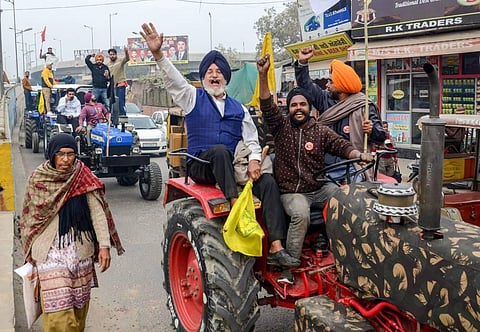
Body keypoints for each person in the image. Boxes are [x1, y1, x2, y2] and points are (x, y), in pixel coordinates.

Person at [141, 22, 299, 268]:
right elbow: (174, 80)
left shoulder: (240, 107)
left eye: (219, 71)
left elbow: (250, 139)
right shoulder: (192, 97)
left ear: (225, 76)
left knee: (268, 183)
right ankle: (236, 207)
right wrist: (158, 54)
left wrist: (255, 160)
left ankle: (277, 246)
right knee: (219, 151)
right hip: (201, 166)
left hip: (231, 167)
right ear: (203, 76)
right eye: (210, 71)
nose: (214, 75)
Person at [257, 54, 373, 283]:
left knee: (347, 199)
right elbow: (267, 104)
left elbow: (341, 145)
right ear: (288, 109)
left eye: (302, 104)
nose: (298, 108)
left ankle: (346, 255)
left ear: (309, 107)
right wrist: (262, 75)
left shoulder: (319, 130)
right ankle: (288, 264)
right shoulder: (281, 128)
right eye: (293, 105)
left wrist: (359, 154)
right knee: (300, 214)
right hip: (292, 191)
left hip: (318, 188)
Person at [19, 133, 124, 331]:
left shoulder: (83, 176)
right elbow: (29, 217)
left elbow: (97, 212)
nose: (66, 159)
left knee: (78, 307)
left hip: (79, 250)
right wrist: (31, 248)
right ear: (51, 155)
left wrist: (104, 246)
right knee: (58, 312)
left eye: (70, 154)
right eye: (60, 154)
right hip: (49, 252)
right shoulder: (38, 178)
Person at [295, 47, 386, 181]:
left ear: (342, 85)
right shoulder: (324, 99)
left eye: (331, 81)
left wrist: (372, 130)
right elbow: (305, 85)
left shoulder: (364, 106)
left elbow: (381, 137)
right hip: (325, 166)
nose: (327, 85)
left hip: (354, 165)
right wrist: (302, 63)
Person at [107, 47, 130, 117]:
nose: (112, 56)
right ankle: (113, 116)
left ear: (116, 54)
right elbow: (108, 76)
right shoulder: (108, 64)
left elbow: (127, 59)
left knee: (120, 101)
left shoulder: (120, 60)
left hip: (121, 83)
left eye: (113, 54)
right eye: (110, 55)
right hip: (112, 86)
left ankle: (122, 114)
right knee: (112, 102)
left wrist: (126, 52)